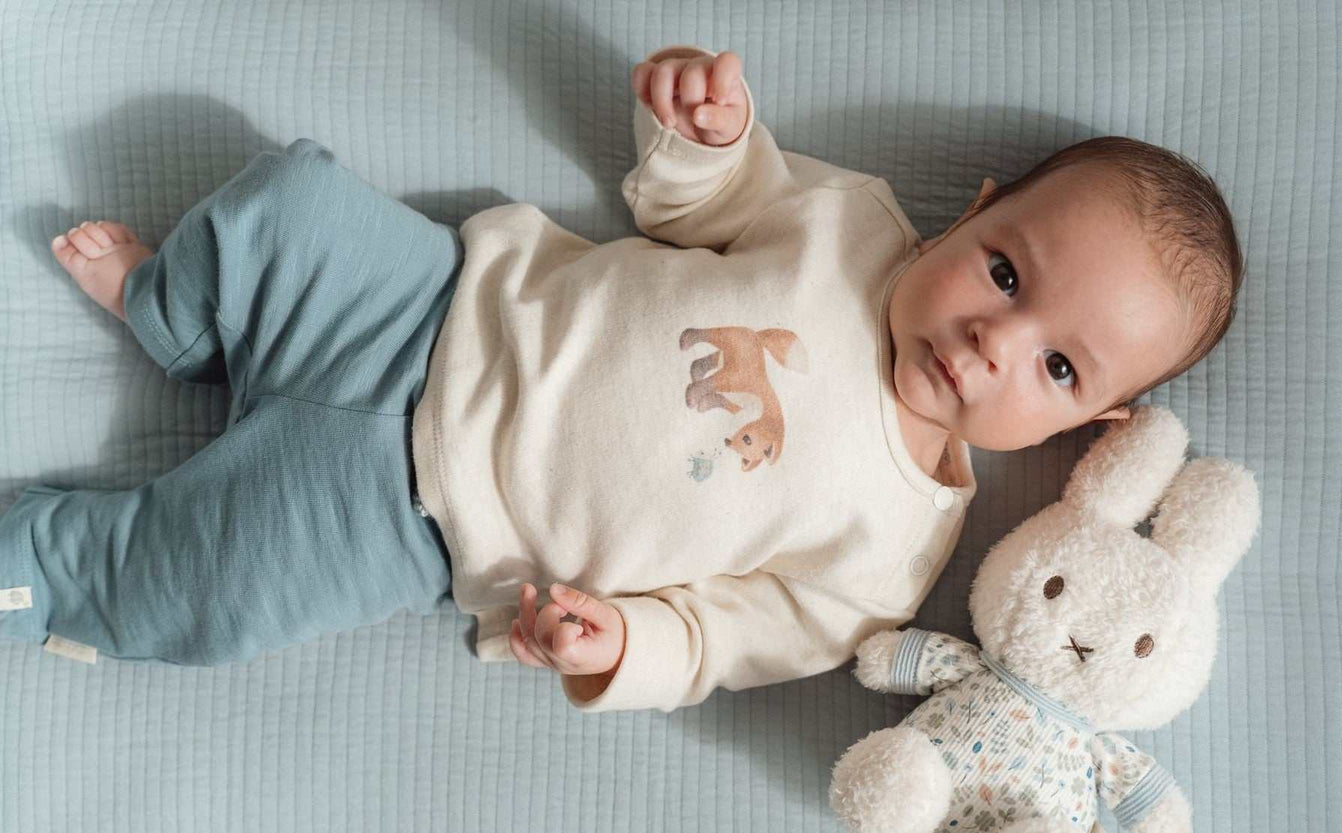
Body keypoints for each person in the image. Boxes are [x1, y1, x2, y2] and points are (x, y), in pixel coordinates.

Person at [11, 44, 1241, 713]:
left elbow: (728, 638)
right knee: (289, 201)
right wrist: (706, 141)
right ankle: (184, 317)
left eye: (1056, 365)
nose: (990, 340)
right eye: (1006, 273)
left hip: (414, 519)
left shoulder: (892, 551)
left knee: (207, 589)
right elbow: (708, 203)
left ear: (1089, 424)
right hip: (433, 304)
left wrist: (621, 644)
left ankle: (43, 570)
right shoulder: (850, 226)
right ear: (974, 210)